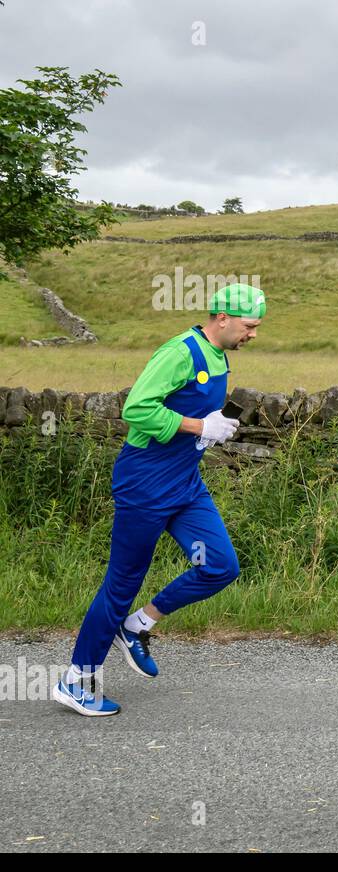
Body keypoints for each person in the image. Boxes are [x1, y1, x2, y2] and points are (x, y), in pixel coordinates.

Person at [53, 283, 265, 716]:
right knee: (122, 582)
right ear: (222, 318)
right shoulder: (180, 352)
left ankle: (138, 626)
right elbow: (136, 409)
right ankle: (74, 681)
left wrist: (213, 429)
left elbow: (193, 414)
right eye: (248, 326)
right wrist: (198, 428)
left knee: (220, 565)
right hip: (145, 482)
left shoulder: (220, 356)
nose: (253, 335)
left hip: (185, 484)